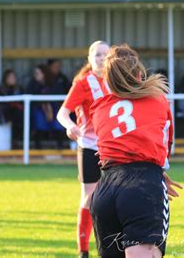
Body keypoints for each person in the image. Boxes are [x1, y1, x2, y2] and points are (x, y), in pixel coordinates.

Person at [88, 44, 182, 258]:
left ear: (107, 80)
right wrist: (156, 173)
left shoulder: (99, 108)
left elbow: (112, 148)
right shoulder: (158, 99)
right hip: (142, 187)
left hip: (105, 191)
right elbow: (163, 148)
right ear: (140, 73)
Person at [56, 41, 111, 258]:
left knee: (114, 196)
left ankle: (111, 246)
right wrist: (71, 126)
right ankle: (83, 250)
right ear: (89, 58)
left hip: (113, 148)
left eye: (105, 54)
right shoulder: (83, 83)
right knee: (89, 197)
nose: (101, 58)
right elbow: (63, 112)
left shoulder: (117, 80)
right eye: (97, 54)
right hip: (89, 146)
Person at [26, 64, 63, 149]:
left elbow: (58, 98)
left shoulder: (54, 83)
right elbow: (32, 98)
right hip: (39, 109)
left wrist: (49, 109)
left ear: (44, 74)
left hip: (54, 109)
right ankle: (38, 148)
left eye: (38, 73)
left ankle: (61, 147)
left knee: (57, 121)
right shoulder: (33, 84)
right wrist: (43, 106)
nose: (36, 75)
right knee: (38, 117)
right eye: (35, 73)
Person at [0, 69, 24, 145]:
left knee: (23, 115)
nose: (12, 79)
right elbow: (2, 104)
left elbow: (23, 102)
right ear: (5, 79)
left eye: (13, 77)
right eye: (10, 77)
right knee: (17, 115)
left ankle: (22, 140)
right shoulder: (1, 89)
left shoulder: (19, 88)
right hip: (6, 112)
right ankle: (15, 141)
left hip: (19, 112)